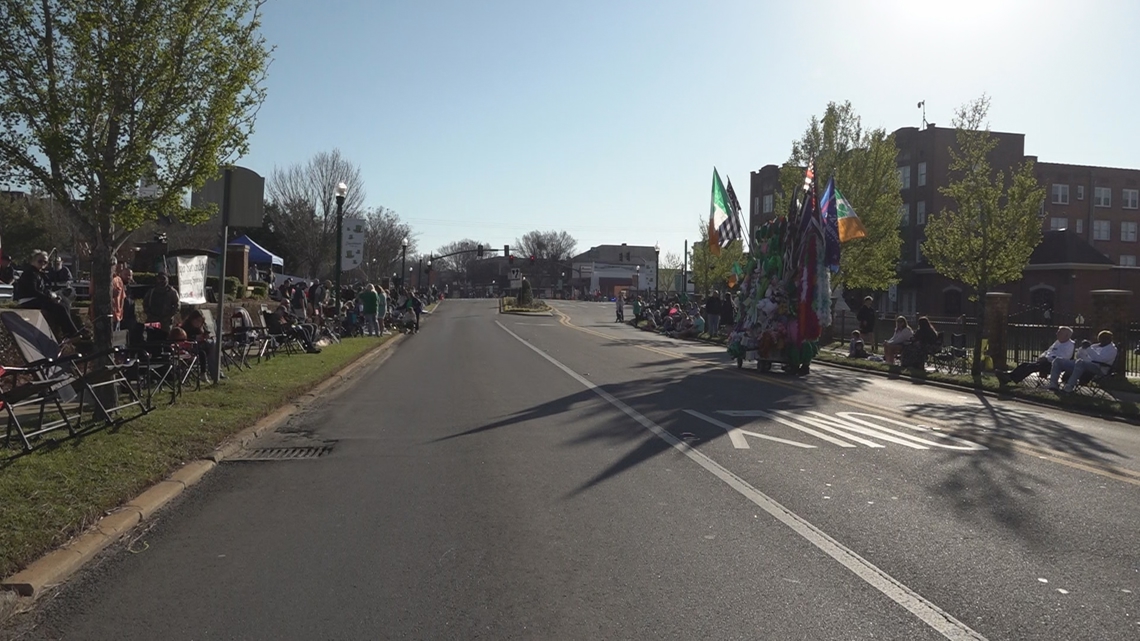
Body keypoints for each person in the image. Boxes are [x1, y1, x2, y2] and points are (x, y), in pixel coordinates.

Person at [14, 249, 85, 340]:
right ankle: (72, 333)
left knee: (65, 303)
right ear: (33, 261)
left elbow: (43, 289)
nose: (43, 264)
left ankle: (68, 332)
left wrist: (53, 295)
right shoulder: (29, 273)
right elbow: (33, 291)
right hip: (28, 300)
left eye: (45, 262)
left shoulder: (39, 273)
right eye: (40, 261)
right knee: (59, 307)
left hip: (37, 299)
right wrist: (48, 297)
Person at [998, 326, 1075, 385]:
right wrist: (1042, 356)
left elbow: (1064, 358)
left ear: (1066, 335)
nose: (1057, 334)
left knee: (1031, 367)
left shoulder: (1070, 345)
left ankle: (1010, 377)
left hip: (1054, 365)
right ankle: (1009, 376)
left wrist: (1047, 359)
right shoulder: (1058, 342)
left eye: (1059, 333)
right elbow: (1048, 351)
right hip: (1045, 362)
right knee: (1025, 364)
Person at [1047, 330, 1117, 392]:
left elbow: (1099, 359)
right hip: (1081, 365)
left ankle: (1069, 386)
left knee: (1080, 362)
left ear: (1110, 340)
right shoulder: (1095, 346)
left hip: (1099, 368)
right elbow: (1079, 356)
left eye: (1104, 339)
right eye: (1100, 339)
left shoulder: (1112, 349)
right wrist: (1082, 349)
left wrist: (1088, 349)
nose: (1102, 341)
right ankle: (1053, 384)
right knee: (1058, 360)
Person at [180, 309, 220, 381]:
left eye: (201, 321)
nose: (199, 323)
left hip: (200, 346)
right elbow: (184, 339)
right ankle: (206, 373)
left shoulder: (200, 328)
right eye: (197, 320)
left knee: (213, 344)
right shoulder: (185, 327)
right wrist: (196, 338)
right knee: (204, 352)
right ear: (192, 319)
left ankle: (217, 370)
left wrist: (204, 336)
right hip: (190, 347)